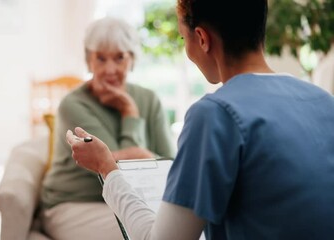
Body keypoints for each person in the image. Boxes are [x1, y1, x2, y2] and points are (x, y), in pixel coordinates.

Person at [66, 0, 334, 239]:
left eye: (183, 39)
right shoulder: (323, 100)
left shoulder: (215, 114)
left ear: (202, 39)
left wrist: (107, 168)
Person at [40, 16, 176, 240]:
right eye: (100, 58)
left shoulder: (149, 99)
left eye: (119, 58)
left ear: (132, 59)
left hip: (131, 201)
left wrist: (143, 156)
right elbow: (117, 169)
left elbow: (170, 164)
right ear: (88, 61)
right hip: (75, 203)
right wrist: (129, 113)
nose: (110, 69)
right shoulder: (73, 104)